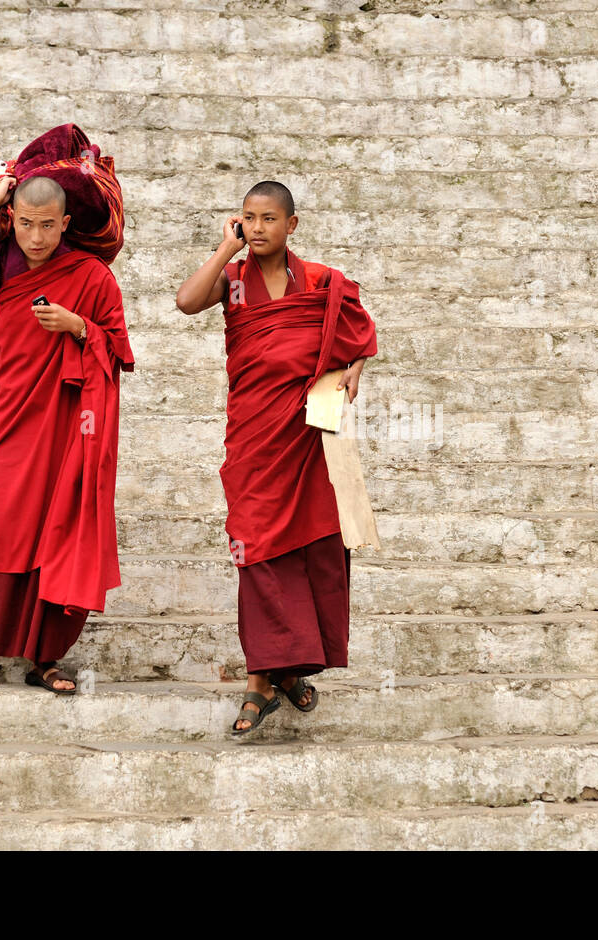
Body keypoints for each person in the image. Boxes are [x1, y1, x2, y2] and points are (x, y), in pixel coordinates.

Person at [174, 180, 377, 734]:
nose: (257, 227)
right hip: (254, 436)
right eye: (248, 217)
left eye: (268, 218)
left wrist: (357, 364)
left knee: (309, 546)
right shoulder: (233, 280)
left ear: (292, 225)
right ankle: (276, 675)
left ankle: (264, 681)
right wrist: (225, 249)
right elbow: (186, 301)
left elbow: (356, 330)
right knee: (255, 544)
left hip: (308, 435)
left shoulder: (320, 281)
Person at [0, 174, 135, 693]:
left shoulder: (92, 276)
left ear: (66, 225)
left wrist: (78, 327)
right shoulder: (3, 265)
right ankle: (18, 636)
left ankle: (46, 657)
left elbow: (119, 348)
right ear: (14, 221)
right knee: (4, 511)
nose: (36, 238)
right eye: (27, 225)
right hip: (13, 408)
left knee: (60, 521)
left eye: (48, 227)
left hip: (69, 419)